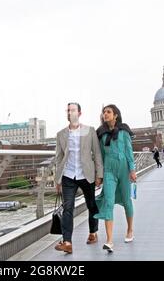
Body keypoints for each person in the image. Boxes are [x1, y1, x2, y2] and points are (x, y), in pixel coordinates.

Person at [54, 102, 103, 254]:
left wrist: (99, 174)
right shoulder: (61, 134)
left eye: (73, 110)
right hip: (68, 175)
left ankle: (93, 232)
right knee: (68, 208)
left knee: (91, 204)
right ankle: (67, 242)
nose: (70, 113)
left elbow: (97, 153)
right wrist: (58, 178)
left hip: (86, 174)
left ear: (79, 113)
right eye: (68, 110)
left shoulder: (90, 131)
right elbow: (58, 157)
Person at [94, 104, 137, 253]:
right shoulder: (101, 134)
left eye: (108, 112)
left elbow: (129, 151)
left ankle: (130, 230)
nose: (105, 114)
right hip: (109, 171)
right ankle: (109, 240)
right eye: (104, 112)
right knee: (108, 202)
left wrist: (132, 170)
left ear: (115, 115)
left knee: (126, 200)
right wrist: (99, 175)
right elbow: (99, 156)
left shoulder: (124, 131)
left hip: (124, 169)